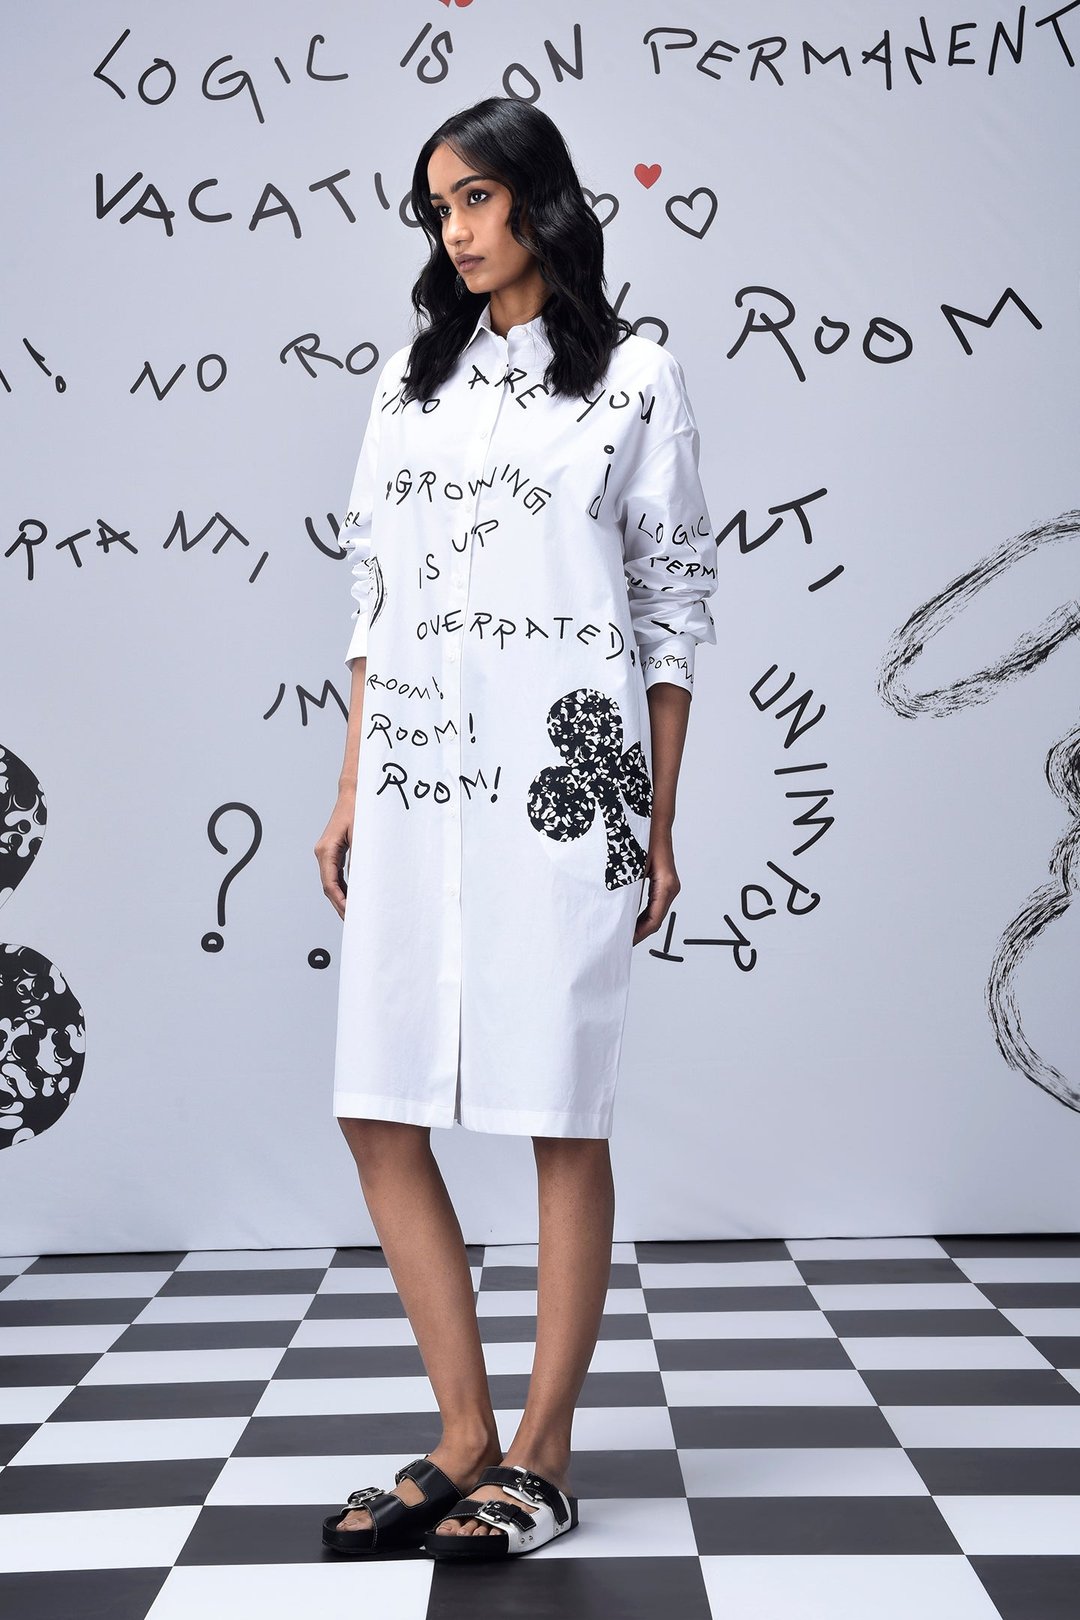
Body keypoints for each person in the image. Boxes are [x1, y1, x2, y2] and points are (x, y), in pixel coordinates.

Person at [315, 95, 718, 1562]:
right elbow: (372, 598)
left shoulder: (637, 379)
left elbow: (673, 610)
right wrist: (351, 786)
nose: (457, 230)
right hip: (416, 785)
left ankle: (542, 1454)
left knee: (560, 1109)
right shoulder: (408, 385)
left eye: (477, 198)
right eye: (439, 208)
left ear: (539, 202)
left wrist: (656, 821)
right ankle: (462, 1434)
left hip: (571, 788)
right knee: (377, 1105)